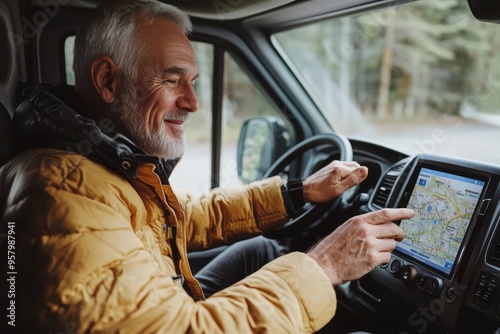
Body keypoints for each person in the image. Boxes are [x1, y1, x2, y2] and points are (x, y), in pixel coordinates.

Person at [0, 0, 414, 332]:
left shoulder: (94, 163)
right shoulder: (60, 192)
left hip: (171, 303)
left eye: (193, 82)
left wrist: (298, 191)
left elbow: (181, 217)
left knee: (262, 252)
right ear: (108, 81)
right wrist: (326, 265)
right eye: (171, 79)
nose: (192, 102)